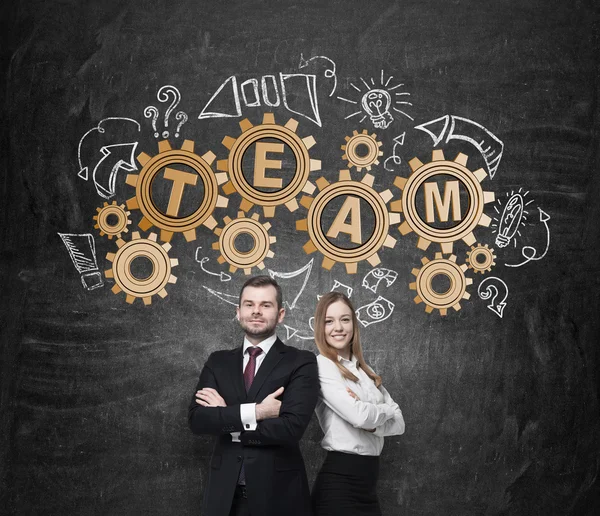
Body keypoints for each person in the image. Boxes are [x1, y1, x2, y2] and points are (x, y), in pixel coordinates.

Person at [188, 275, 318, 516]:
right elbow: (198, 420)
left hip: (279, 498)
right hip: (223, 499)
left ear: (280, 314)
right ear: (238, 312)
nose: (256, 311)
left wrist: (228, 419)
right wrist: (257, 412)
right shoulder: (218, 362)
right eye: (249, 304)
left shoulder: (301, 361)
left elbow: (291, 427)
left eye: (265, 305)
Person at [311, 292, 405, 516]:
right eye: (329, 321)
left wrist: (372, 422)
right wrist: (385, 411)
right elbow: (359, 417)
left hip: (368, 484)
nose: (338, 327)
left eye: (345, 319)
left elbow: (400, 423)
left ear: (354, 324)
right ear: (320, 327)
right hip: (339, 485)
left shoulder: (365, 370)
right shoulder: (322, 366)